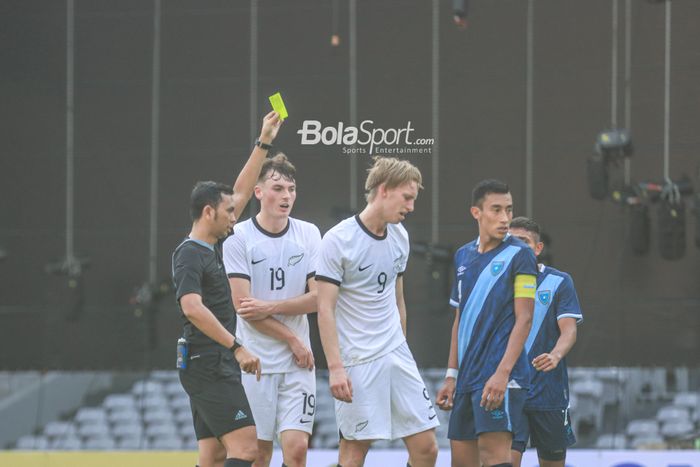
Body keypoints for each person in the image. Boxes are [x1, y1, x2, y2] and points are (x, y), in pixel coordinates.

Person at [171, 111, 282, 467]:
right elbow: (191, 307)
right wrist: (236, 347)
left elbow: (241, 191)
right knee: (247, 449)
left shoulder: (211, 246)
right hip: (209, 362)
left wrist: (263, 141)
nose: (236, 217)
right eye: (229, 213)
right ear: (208, 213)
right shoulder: (189, 254)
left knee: (214, 455)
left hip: (206, 362)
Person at [316, 157, 439, 467]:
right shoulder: (338, 240)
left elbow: (398, 300)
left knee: (427, 448)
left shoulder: (401, 237)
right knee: (355, 453)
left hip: (396, 353)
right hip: (357, 361)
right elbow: (325, 308)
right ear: (384, 190)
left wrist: (402, 349)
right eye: (407, 197)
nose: (411, 207)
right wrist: (336, 368)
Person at [224, 153, 321, 467]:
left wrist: (269, 307)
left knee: (296, 451)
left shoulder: (309, 233)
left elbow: (318, 298)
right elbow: (243, 307)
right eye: (278, 188)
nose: (287, 196)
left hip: (298, 362)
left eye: (291, 189)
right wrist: (291, 337)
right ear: (259, 192)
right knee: (258, 454)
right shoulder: (238, 237)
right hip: (256, 363)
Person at [436, 179, 537, 467]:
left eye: (509, 209)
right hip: (467, 377)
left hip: (500, 376)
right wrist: (451, 375)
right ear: (476, 212)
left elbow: (525, 318)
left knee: (495, 459)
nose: (505, 218)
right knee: (462, 462)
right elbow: (459, 319)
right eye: (496, 209)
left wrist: (502, 374)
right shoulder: (462, 256)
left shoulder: (521, 255)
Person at [508, 217, 583, 467]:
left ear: (538, 249)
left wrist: (555, 355)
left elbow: (569, 330)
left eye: (524, 242)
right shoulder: (497, 282)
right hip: (507, 391)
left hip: (549, 395)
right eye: (512, 242)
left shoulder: (559, 281)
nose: (518, 248)